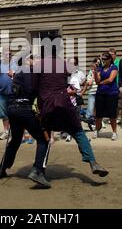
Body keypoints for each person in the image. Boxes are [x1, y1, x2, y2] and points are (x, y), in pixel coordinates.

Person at [32, 40, 109, 179]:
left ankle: (38, 171)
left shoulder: (39, 65)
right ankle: (93, 162)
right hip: (63, 103)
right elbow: (71, 81)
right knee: (78, 132)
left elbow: (34, 87)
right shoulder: (64, 65)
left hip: (47, 105)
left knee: (44, 138)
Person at [0, 55, 51, 188]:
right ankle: (38, 170)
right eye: (35, 59)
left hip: (12, 109)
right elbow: (35, 91)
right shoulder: (32, 74)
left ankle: (2, 168)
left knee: (15, 140)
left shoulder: (19, 73)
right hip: (24, 109)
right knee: (43, 140)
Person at [93, 52, 119, 140]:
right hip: (100, 93)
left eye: (105, 59)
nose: (103, 61)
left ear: (109, 59)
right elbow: (97, 81)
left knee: (112, 114)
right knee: (98, 114)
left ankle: (114, 132)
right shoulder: (100, 68)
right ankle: (96, 130)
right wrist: (95, 72)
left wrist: (101, 83)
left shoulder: (114, 67)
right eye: (102, 59)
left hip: (111, 93)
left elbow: (111, 79)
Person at [0, 48, 16, 140]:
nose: (8, 56)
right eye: (6, 54)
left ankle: (13, 132)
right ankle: (6, 131)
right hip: (1, 93)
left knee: (13, 113)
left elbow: (19, 77)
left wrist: (13, 76)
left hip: (13, 93)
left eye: (10, 54)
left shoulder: (16, 65)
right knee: (3, 113)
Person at [81, 57, 99, 130]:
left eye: (98, 62)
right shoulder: (91, 72)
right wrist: (89, 81)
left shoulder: (101, 70)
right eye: (96, 62)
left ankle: (97, 123)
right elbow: (89, 82)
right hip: (92, 92)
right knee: (90, 109)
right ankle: (90, 122)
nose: (97, 64)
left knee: (98, 109)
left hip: (99, 92)